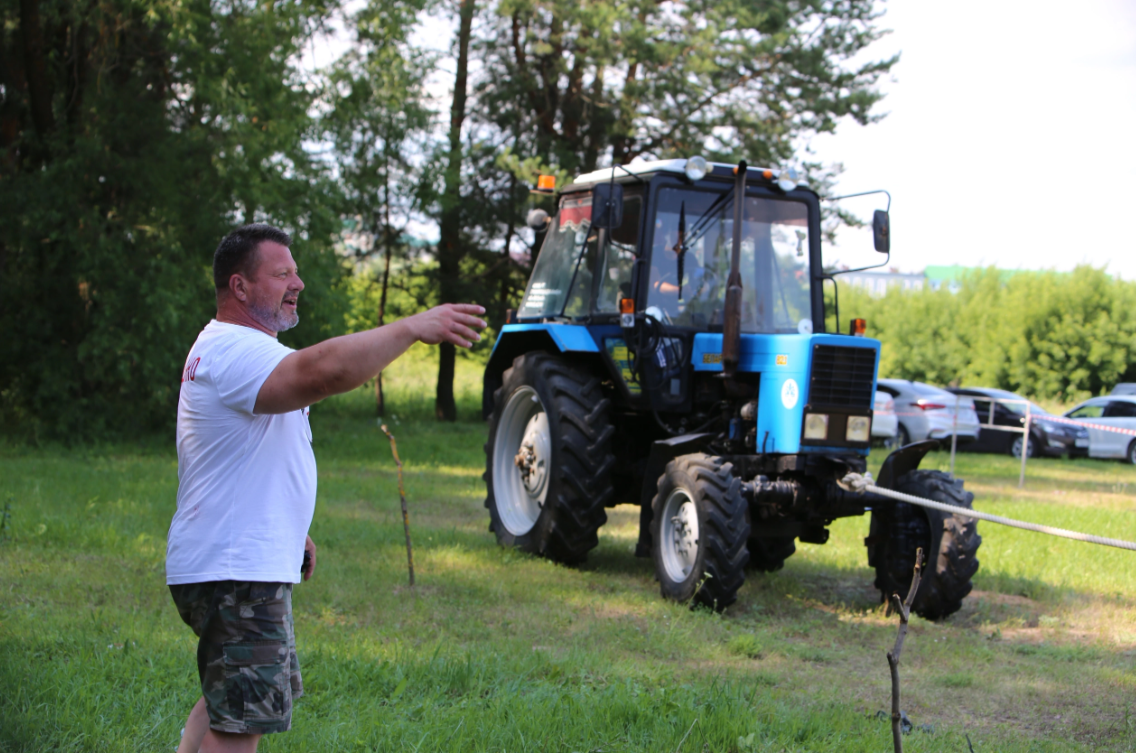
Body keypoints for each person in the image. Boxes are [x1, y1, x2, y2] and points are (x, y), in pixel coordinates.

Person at [167, 223, 485, 753]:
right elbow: (324, 372)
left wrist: (294, 531)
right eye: (282, 272)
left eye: (296, 270)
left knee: (230, 693)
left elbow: (251, 452)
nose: (299, 282)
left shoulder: (235, 348)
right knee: (240, 722)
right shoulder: (235, 349)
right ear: (240, 287)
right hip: (236, 569)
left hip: (239, 560)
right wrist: (410, 327)